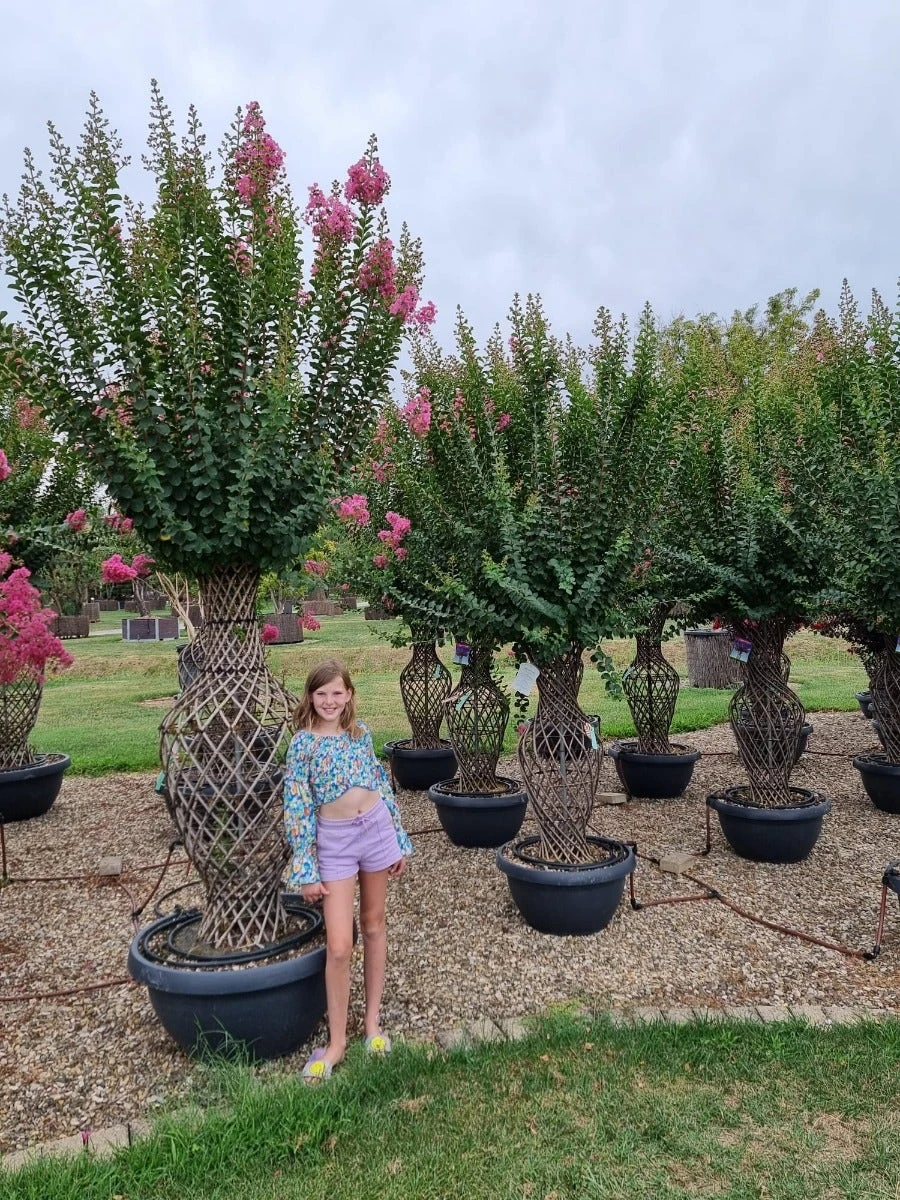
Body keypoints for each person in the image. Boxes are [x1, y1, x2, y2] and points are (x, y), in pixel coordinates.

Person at [284, 657, 412, 1082]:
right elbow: (298, 806)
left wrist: (397, 839)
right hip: (334, 843)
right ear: (310, 697)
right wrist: (306, 867)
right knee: (339, 945)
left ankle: (372, 1024)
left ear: (349, 695)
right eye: (321, 693)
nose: (330, 700)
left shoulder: (361, 735)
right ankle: (336, 1043)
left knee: (374, 924)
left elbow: (381, 785)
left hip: (375, 832)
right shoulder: (302, 744)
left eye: (337, 692)